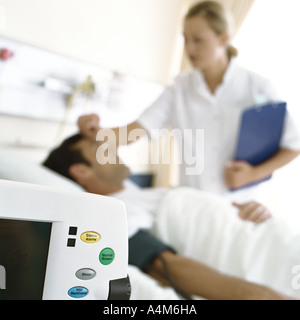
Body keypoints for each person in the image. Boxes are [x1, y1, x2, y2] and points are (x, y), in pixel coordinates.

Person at [78, 1, 300, 199]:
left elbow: (293, 145)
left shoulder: (258, 87)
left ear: (224, 37)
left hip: (241, 207)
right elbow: (137, 130)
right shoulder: (179, 89)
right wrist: (96, 132)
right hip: (193, 207)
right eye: (185, 39)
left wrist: (254, 174)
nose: (189, 49)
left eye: (198, 40)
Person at [43, 133, 296, 300]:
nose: (112, 149)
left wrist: (241, 208)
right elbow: (166, 267)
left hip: (269, 234)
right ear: (81, 170)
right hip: (263, 262)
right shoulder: (112, 213)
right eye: (100, 150)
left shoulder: (135, 192)